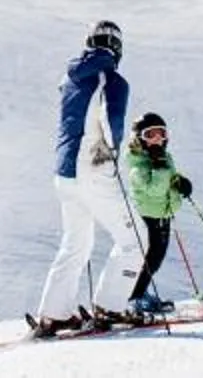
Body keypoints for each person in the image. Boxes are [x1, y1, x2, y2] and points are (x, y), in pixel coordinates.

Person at [31, 22, 137, 337]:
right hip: (92, 169)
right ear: (117, 49)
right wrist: (111, 153)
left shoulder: (70, 78)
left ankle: (55, 314)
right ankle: (110, 306)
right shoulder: (112, 80)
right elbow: (110, 118)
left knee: (77, 242)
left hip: (64, 174)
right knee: (136, 240)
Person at [122, 113, 193, 315]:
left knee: (157, 258)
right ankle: (134, 297)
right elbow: (154, 189)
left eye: (161, 134)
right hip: (148, 218)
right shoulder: (137, 165)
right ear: (139, 138)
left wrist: (179, 182)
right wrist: (161, 167)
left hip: (162, 214)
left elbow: (168, 178)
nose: (157, 139)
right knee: (148, 259)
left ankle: (140, 293)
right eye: (150, 134)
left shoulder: (162, 157)